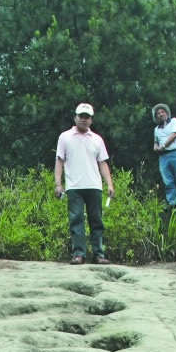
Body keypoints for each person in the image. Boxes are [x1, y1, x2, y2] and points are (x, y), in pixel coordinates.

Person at [55, 103, 114, 265]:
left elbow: (102, 163)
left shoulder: (97, 139)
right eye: (81, 116)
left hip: (94, 185)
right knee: (76, 220)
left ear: (91, 120)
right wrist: (58, 184)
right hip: (74, 186)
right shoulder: (65, 137)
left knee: (96, 221)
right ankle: (79, 254)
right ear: (75, 117)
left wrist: (109, 184)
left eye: (87, 117)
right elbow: (59, 160)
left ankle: (98, 254)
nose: (83, 119)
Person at [152, 103, 176, 209]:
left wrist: (163, 146)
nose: (160, 114)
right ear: (156, 116)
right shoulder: (157, 129)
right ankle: (172, 202)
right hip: (163, 156)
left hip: (175, 152)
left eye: (162, 112)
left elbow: (174, 134)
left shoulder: (174, 121)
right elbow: (155, 142)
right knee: (168, 180)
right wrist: (156, 148)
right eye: (158, 113)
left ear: (166, 113)